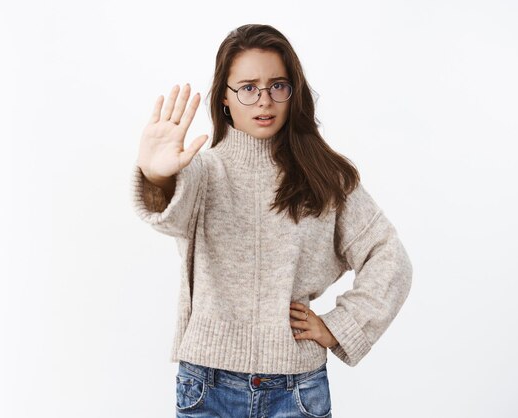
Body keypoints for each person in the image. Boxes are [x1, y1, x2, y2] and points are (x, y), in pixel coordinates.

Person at [131, 23, 413, 418]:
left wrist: (340, 325)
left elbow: (389, 257)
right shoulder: (203, 171)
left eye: (277, 86)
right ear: (225, 99)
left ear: (293, 92)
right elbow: (169, 215)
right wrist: (158, 176)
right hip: (207, 386)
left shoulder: (325, 175)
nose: (264, 101)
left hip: (296, 389)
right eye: (248, 88)